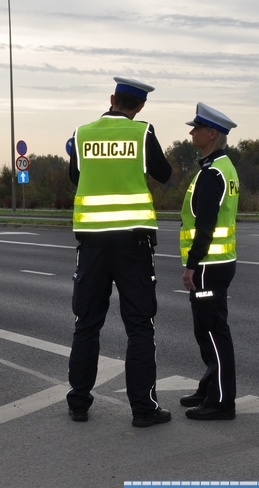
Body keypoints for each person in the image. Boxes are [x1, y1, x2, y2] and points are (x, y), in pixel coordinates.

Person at [66, 77, 173, 428]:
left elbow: (75, 176)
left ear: (111, 99)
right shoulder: (142, 133)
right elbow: (164, 173)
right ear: (140, 106)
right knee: (140, 326)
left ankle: (79, 403)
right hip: (133, 243)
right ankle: (143, 408)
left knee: (87, 325)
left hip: (93, 244)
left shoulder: (82, 134)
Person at [179, 103, 239, 420]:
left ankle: (221, 402)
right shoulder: (220, 167)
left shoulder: (213, 173)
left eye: (196, 128)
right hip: (217, 264)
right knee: (208, 328)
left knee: (213, 331)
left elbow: (205, 226)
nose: (191, 132)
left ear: (211, 133)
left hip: (208, 267)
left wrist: (192, 265)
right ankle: (209, 387)